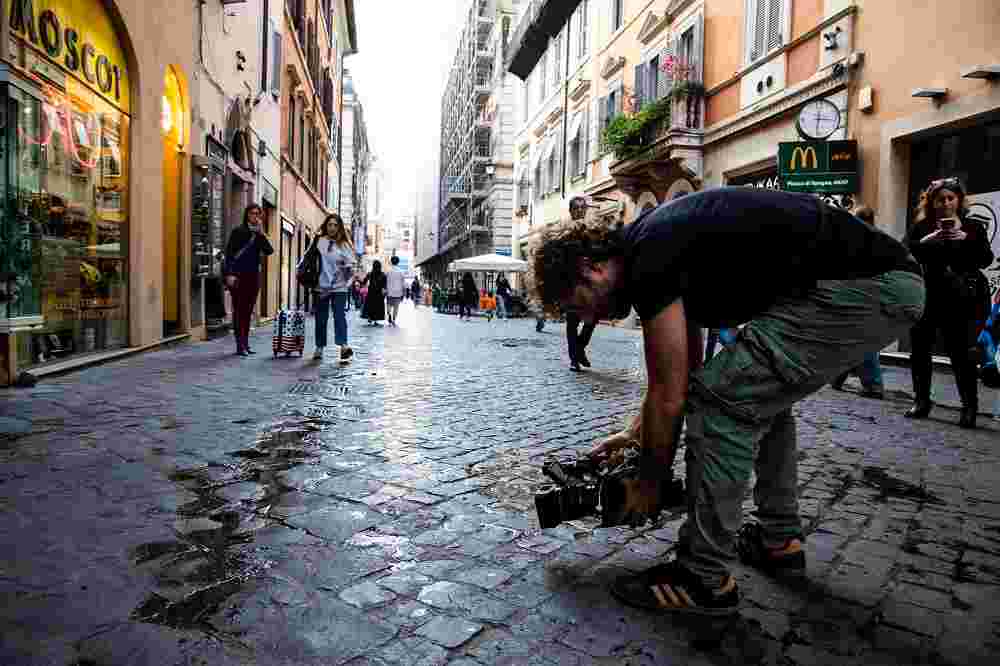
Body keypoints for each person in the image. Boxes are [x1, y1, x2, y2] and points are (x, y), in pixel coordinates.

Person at [530, 187, 925, 616]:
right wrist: (633, 434)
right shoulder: (656, 245)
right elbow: (678, 374)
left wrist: (650, 483)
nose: (589, 318)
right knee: (755, 395)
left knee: (721, 401)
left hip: (865, 287)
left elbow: (672, 394)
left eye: (577, 305)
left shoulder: (649, 258)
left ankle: (702, 577)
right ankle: (779, 541)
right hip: (878, 283)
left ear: (589, 268)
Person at [904, 177, 994, 428]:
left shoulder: (974, 227)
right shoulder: (922, 227)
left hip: (962, 298)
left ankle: (969, 408)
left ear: (959, 200)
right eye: (940, 199)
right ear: (932, 202)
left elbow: (985, 259)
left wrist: (965, 238)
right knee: (920, 349)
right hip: (929, 294)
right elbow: (905, 253)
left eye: (950, 198)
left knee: (961, 353)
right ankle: (921, 401)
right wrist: (927, 240)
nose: (945, 204)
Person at [830, 206, 887, 399]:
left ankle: (872, 384)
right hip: (868, 296)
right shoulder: (879, 240)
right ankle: (840, 377)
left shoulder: (855, 240)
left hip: (856, 296)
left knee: (856, 341)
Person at [223, 203, 274, 356]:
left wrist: (261, 233)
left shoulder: (258, 234)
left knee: (248, 311)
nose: (255, 216)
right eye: (252, 213)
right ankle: (240, 345)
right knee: (239, 311)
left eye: (258, 214)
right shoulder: (238, 231)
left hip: (253, 277)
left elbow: (269, 251)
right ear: (247, 215)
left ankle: (245, 343)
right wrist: (230, 274)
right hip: (238, 276)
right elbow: (230, 254)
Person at [310, 213, 355, 362]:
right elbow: (318, 260)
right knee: (321, 318)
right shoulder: (321, 241)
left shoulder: (344, 245)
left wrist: (346, 268)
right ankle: (319, 347)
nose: (332, 228)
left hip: (339, 287)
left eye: (335, 225)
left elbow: (350, 266)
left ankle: (343, 346)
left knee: (339, 317)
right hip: (322, 286)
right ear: (326, 226)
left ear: (339, 227)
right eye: (330, 224)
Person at [566, 196, 598, 372]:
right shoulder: (564, 231)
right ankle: (574, 359)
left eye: (583, 208)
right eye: (577, 208)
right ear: (571, 211)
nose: (580, 210)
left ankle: (579, 349)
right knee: (572, 322)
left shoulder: (590, 231)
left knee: (591, 319)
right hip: (571, 284)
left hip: (588, 281)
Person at [361, 261, 387, 326]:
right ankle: (375, 319)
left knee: (370, 305)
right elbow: (384, 284)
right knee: (377, 306)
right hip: (379, 293)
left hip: (371, 292)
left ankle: (369, 317)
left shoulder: (370, 273)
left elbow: (364, 282)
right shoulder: (383, 274)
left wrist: (364, 284)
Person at [385, 256, 406, 326]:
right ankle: (393, 320)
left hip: (389, 292)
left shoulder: (388, 271)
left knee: (388, 305)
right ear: (398, 262)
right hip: (398, 293)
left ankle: (389, 314)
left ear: (391, 262)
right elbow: (403, 284)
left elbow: (385, 281)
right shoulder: (401, 272)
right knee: (396, 308)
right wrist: (404, 293)